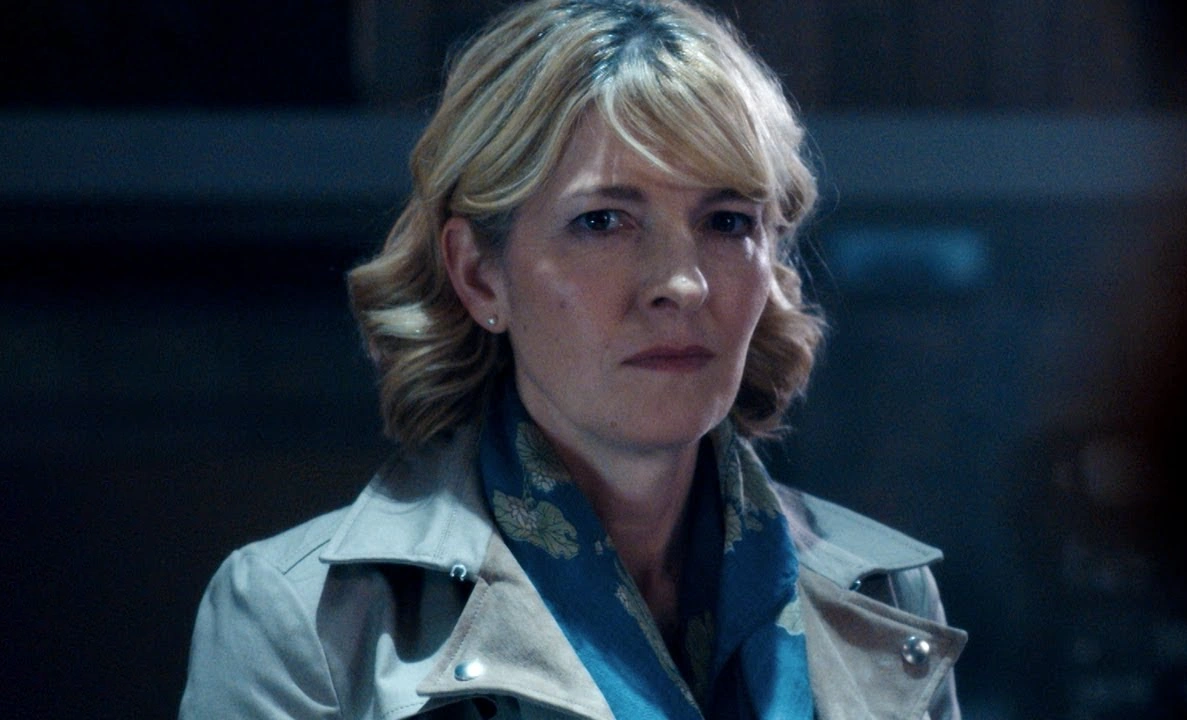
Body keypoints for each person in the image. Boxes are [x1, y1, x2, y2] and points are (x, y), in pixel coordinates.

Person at [179, 0, 966, 717]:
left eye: (727, 222)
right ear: (479, 274)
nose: (683, 283)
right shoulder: (306, 624)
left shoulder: (885, 600)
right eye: (604, 221)